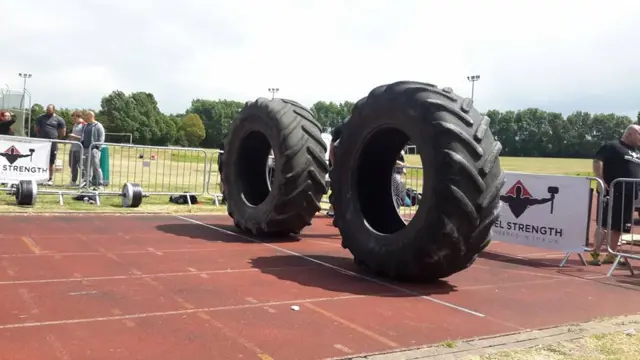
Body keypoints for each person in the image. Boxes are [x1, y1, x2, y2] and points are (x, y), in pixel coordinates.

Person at [590, 124, 640, 266]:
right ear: (630, 133)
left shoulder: (636, 152)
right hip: (612, 191)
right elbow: (597, 160)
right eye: (639, 134)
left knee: (620, 226)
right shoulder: (612, 146)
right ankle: (595, 253)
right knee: (605, 224)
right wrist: (599, 178)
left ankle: (611, 254)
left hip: (629, 194)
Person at [35, 104, 66, 185]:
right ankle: (39, 177)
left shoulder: (59, 119)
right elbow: (36, 129)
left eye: (50, 110)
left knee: (51, 161)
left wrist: (57, 138)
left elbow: (63, 132)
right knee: (40, 159)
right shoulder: (40, 117)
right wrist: (40, 137)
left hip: (53, 142)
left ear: (53, 110)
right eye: (47, 110)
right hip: (42, 143)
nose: (48, 111)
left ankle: (49, 179)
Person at [80, 111, 105, 189]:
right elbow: (83, 136)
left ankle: (100, 184)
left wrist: (97, 147)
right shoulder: (85, 126)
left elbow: (101, 138)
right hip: (86, 149)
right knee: (87, 167)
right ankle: (88, 183)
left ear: (90, 116)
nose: (84, 118)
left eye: (86, 116)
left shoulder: (98, 126)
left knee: (96, 166)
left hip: (95, 149)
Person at [327, 122, 344, 217]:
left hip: (345, 162)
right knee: (336, 186)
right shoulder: (340, 128)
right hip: (336, 162)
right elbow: (332, 147)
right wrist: (333, 164)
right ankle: (332, 208)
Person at [67, 111, 86, 186]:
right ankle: (73, 181)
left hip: (80, 148)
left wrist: (74, 136)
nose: (74, 120)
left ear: (79, 117)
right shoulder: (75, 125)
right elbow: (73, 136)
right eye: (73, 118)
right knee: (72, 165)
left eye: (75, 118)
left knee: (81, 165)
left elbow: (84, 137)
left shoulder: (84, 125)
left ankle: (83, 181)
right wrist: (69, 139)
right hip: (72, 148)